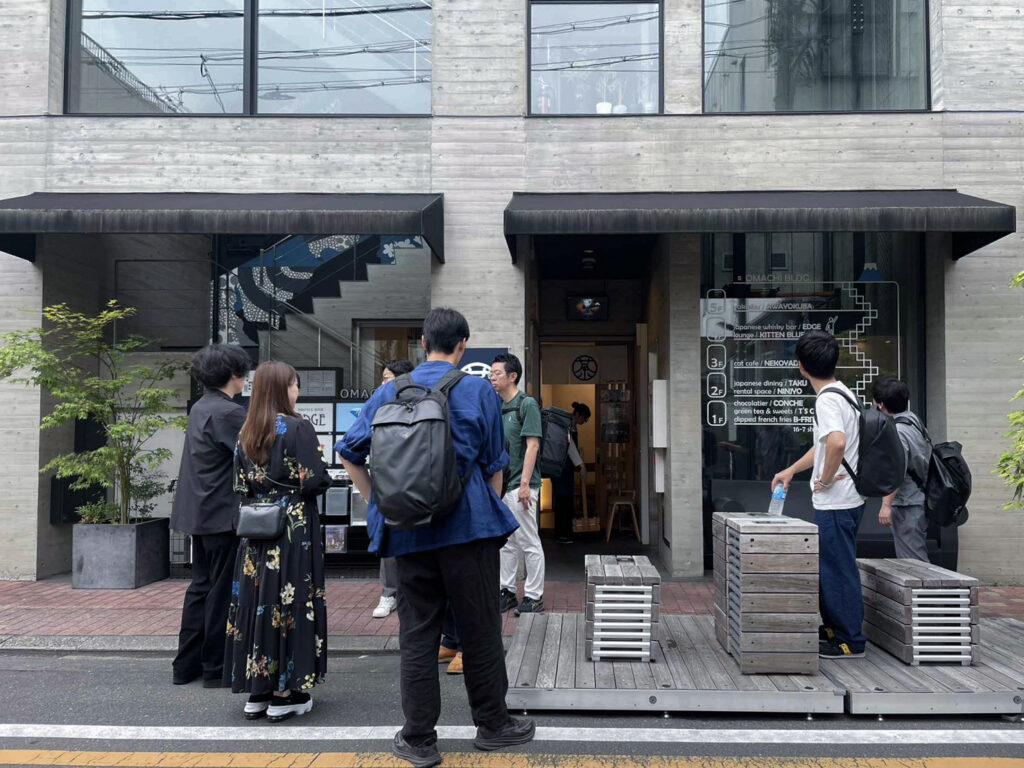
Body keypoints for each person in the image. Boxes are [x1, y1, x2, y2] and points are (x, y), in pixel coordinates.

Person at [337, 308, 534, 768]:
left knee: (418, 635)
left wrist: (381, 501)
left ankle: (419, 739)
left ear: (422, 343)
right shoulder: (478, 390)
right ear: (462, 345)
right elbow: (495, 465)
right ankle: (493, 726)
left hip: (407, 535)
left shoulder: (389, 391)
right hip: (469, 532)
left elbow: (350, 453)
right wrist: (482, 511)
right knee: (481, 630)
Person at [225, 361, 333, 722]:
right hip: (292, 529)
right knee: (291, 600)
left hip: (256, 531)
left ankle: (258, 691)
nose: (297, 390)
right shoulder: (298, 427)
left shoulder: (246, 430)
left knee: (258, 602)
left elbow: (239, 485)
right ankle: (286, 693)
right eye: (294, 384)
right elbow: (314, 480)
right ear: (282, 389)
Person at [772, 330, 867, 659]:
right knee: (831, 567)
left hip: (837, 502)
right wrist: (792, 470)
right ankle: (833, 629)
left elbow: (837, 443)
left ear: (801, 366)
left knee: (837, 571)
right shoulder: (843, 393)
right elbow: (825, 445)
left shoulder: (826, 399)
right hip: (847, 499)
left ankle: (850, 641)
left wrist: (825, 481)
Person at [170, 343, 251, 688]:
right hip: (221, 513)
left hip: (198, 511)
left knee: (200, 587)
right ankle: (216, 667)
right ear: (234, 374)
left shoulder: (202, 406)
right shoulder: (230, 413)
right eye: (243, 372)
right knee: (221, 591)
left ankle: (185, 665)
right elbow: (256, 454)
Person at [490, 352, 545, 616]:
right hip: (502, 485)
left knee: (529, 541)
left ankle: (534, 596)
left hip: (522, 486)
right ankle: (508, 591)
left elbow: (532, 446)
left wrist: (524, 485)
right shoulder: (497, 405)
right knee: (508, 542)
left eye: (497, 373)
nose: (492, 377)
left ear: (513, 376)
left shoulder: (527, 404)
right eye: (490, 373)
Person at [371, 358, 415, 620]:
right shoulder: (379, 401)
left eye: (386, 378)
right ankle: (389, 593)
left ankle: (410, 593)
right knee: (389, 536)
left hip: (418, 481)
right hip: (389, 481)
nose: (382, 383)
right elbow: (352, 447)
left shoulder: (423, 400)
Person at [872, 377, 931, 562]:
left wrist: (886, 505)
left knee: (912, 561)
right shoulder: (913, 419)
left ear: (881, 405)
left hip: (908, 503)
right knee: (913, 556)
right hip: (918, 496)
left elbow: (897, 470)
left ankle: (928, 582)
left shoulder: (897, 431)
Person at [552, 402, 590, 544]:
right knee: (562, 501)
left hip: (564, 469)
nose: (584, 422)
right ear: (578, 415)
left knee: (565, 500)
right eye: (584, 418)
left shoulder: (570, 427)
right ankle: (561, 534)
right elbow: (570, 446)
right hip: (561, 469)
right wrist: (581, 464)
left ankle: (565, 533)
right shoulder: (566, 427)